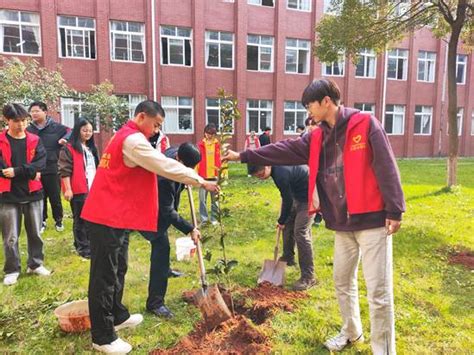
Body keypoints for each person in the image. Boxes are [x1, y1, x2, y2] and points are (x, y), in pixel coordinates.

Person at [223, 79, 405, 354]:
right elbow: (282, 149)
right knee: (342, 281)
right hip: (342, 222)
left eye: (310, 105)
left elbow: (386, 165)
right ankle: (352, 332)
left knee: (378, 292)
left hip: (372, 220)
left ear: (326, 102)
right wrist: (243, 155)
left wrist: (394, 208)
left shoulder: (366, 123)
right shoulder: (317, 136)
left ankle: (384, 350)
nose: (308, 111)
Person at [80, 100, 218, 354]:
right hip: (105, 216)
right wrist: (201, 181)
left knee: (119, 267)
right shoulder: (133, 140)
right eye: (155, 125)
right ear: (141, 117)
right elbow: (163, 165)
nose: (156, 131)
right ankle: (102, 336)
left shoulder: (127, 136)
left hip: (116, 216)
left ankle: (118, 315)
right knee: (104, 276)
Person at [139, 142, 202, 319]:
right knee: (161, 248)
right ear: (178, 160)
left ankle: (165, 270)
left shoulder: (177, 152)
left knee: (163, 246)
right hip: (149, 213)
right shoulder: (164, 179)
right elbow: (167, 212)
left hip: (160, 208)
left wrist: (187, 178)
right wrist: (190, 229)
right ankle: (155, 303)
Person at [0, 103, 49, 286]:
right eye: (16, 121)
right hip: (8, 195)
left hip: (33, 192)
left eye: (23, 120)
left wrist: (17, 171)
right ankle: (12, 269)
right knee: (10, 236)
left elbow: (40, 164)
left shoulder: (34, 140)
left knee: (35, 232)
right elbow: (2, 170)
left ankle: (35, 264)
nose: (21, 125)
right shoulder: (1, 140)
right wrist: (28, 171)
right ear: (7, 120)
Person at [248, 164, 316, 290]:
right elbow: (286, 196)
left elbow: (288, 200)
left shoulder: (281, 174)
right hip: (298, 194)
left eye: (261, 174)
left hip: (310, 196)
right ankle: (288, 257)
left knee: (300, 232)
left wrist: (281, 220)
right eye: (257, 177)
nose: (261, 178)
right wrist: (284, 220)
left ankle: (308, 277)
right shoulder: (276, 170)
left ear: (267, 166)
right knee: (287, 224)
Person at [58, 118, 99, 259]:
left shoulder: (91, 148)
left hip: (92, 188)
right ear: (77, 131)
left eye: (90, 130)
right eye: (84, 130)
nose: (88, 133)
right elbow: (64, 170)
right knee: (81, 219)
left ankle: (89, 244)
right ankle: (82, 247)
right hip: (78, 188)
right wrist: (68, 189)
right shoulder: (69, 148)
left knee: (92, 218)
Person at [27, 101, 69, 232]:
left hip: (52, 166)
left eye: (36, 111)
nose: (34, 114)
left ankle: (58, 220)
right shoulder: (29, 129)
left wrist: (64, 139)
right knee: (40, 196)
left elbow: (71, 132)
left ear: (45, 112)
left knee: (55, 195)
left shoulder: (56, 127)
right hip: (36, 168)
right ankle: (42, 221)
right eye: (32, 111)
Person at [196, 123, 220, 225]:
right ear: (204, 133)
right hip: (202, 177)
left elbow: (222, 160)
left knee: (215, 200)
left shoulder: (218, 145)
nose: (209, 135)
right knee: (202, 200)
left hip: (214, 177)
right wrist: (195, 175)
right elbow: (196, 161)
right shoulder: (200, 145)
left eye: (212, 133)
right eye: (208, 133)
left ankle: (214, 219)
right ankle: (204, 220)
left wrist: (222, 175)